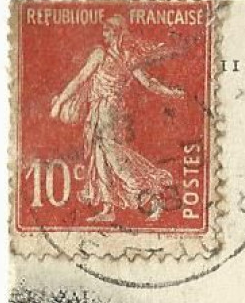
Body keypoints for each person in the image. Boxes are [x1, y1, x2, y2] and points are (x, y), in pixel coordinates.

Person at [49, 14, 185, 223]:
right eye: (104, 31)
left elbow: (80, 79)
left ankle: (151, 192)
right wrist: (171, 92)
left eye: (108, 31)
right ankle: (107, 208)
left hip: (107, 111)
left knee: (115, 159)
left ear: (117, 33)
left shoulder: (106, 55)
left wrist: (59, 103)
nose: (104, 35)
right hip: (99, 110)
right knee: (99, 157)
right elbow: (148, 83)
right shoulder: (124, 57)